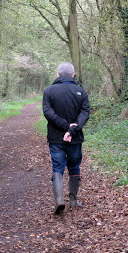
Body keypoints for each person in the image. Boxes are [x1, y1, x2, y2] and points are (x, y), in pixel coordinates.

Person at [42, 62, 90, 214]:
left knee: (57, 167)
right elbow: (85, 113)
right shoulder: (81, 92)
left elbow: (48, 113)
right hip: (75, 138)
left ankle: (59, 200)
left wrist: (65, 127)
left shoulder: (48, 91)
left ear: (57, 75)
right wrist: (72, 129)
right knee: (74, 167)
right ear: (73, 75)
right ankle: (74, 201)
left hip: (56, 138)